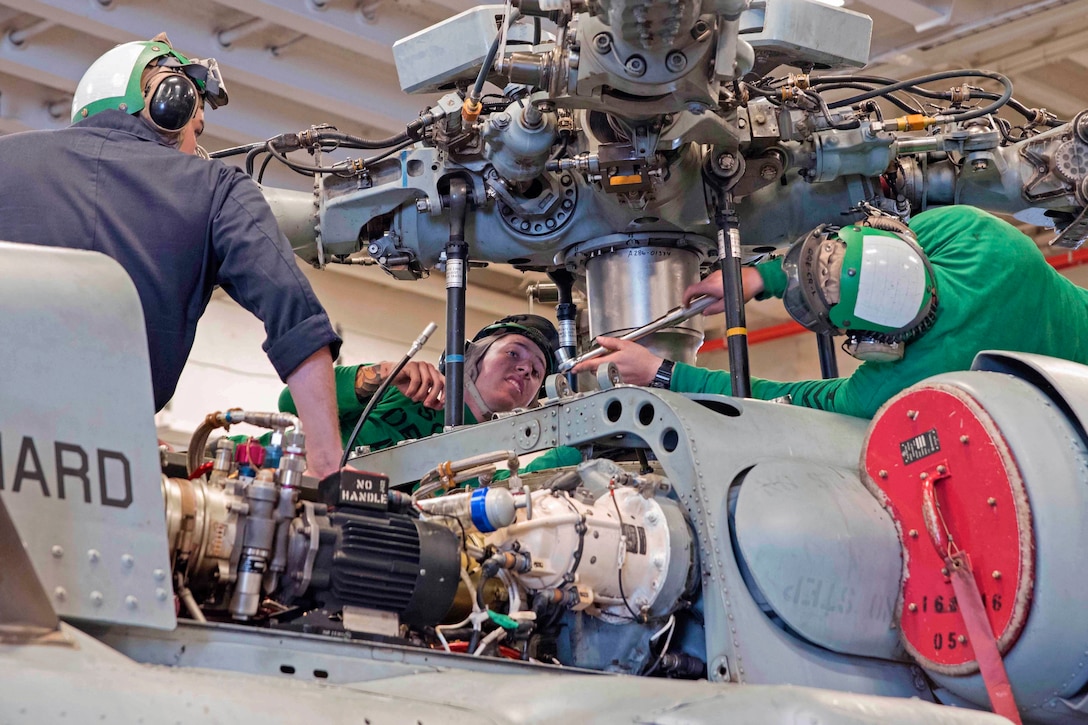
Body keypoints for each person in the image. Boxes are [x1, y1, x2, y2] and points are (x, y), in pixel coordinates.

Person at [0, 35, 343, 476]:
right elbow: (294, 315)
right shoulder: (216, 187)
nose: (195, 148)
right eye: (195, 128)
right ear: (169, 104)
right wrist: (328, 468)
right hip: (101, 469)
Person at [573, 205, 1088, 419]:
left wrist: (663, 373)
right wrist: (759, 277)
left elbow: (787, 398)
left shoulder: (903, 382)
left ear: (870, 342)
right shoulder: (979, 235)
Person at [278, 314, 581, 473]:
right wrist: (384, 374)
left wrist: (576, 448)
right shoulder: (405, 386)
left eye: (537, 371)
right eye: (514, 353)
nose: (526, 370)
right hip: (269, 470)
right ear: (472, 356)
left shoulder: (489, 456)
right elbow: (290, 400)